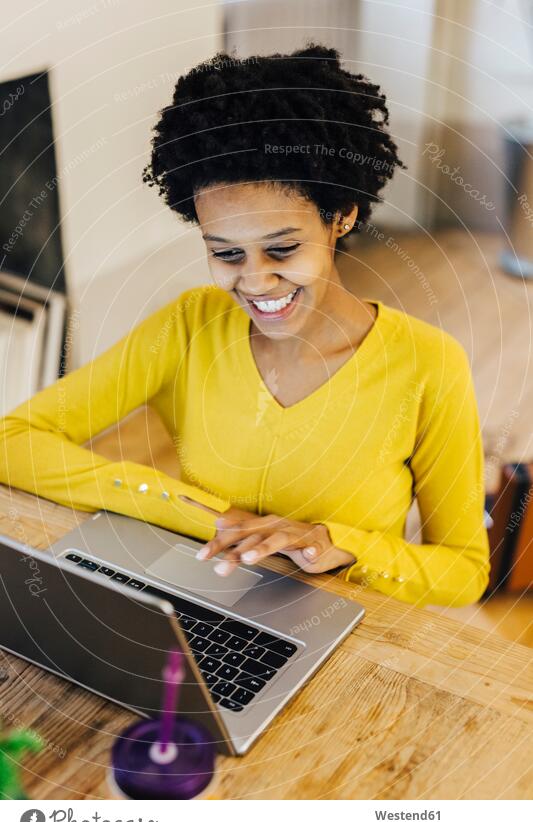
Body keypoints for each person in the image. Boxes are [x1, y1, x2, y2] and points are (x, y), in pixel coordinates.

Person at [0, 44, 490, 607]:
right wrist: (201, 513)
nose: (255, 283)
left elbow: (464, 571)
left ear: (342, 216)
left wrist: (342, 546)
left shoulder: (429, 363)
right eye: (227, 254)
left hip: (348, 635)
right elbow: (14, 442)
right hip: (202, 599)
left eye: (282, 249)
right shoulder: (189, 326)